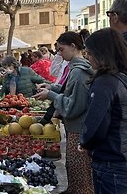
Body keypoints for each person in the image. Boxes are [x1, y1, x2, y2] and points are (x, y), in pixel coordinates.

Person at [33, 31, 94, 194]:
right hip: (75, 128)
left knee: (79, 170)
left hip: (78, 129)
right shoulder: (76, 68)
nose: (59, 53)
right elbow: (69, 91)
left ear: (73, 47)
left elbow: (73, 106)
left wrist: (51, 95)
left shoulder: (79, 72)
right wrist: (51, 87)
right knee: (73, 168)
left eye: (61, 49)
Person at [79, 28, 127, 194]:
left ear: (102, 54)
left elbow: (97, 123)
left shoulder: (105, 82)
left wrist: (85, 142)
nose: (88, 57)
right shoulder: (121, 77)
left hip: (111, 161)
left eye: (90, 53)